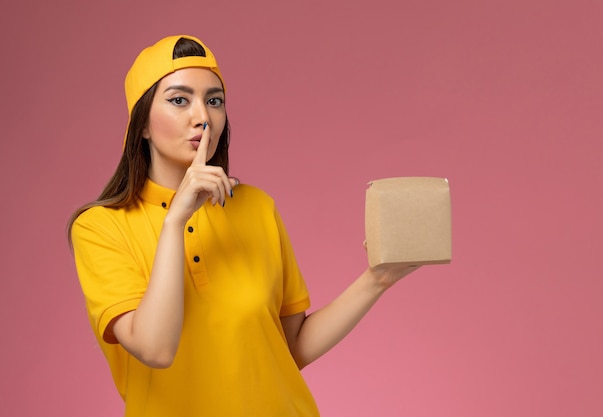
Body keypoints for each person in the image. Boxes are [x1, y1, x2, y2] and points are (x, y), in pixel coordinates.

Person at [68, 34, 419, 417]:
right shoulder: (99, 228)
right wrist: (175, 222)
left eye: (214, 101)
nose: (203, 116)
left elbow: (292, 347)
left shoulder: (256, 207)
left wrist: (378, 278)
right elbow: (155, 348)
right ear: (142, 126)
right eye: (179, 100)